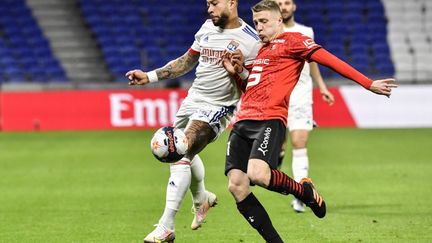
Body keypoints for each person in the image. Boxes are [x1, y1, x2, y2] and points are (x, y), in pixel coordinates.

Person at [222, 1, 396, 242]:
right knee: (236, 185)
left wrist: (368, 83)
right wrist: (238, 73)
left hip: (269, 119)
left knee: (258, 174)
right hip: (243, 121)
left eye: (263, 22)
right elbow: (250, 89)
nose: (259, 28)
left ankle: (304, 191)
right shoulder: (261, 49)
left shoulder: (295, 40)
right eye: (255, 23)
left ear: (278, 19)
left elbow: (331, 60)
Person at [126, 0, 261, 242]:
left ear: (232, 3)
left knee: (181, 149)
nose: (209, 8)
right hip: (192, 101)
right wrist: (150, 76)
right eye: (207, 3)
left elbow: (258, 83)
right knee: (177, 153)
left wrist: (241, 71)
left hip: (219, 107)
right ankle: (202, 198)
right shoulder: (206, 28)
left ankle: (166, 226)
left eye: (214, 3)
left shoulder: (251, 40)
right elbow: (187, 61)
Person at [275, 0, 335, 213]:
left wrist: (322, 86)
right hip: (276, 97)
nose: (283, 6)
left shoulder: (305, 31)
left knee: (299, 143)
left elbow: (313, 61)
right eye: (279, 3)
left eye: (287, 3)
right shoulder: (269, 31)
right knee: (277, 147)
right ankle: (278, 155)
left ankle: (302, 195)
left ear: (294, 7)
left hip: (301, 95)